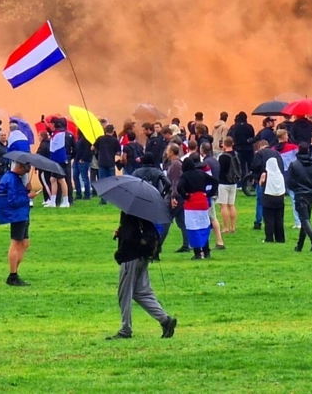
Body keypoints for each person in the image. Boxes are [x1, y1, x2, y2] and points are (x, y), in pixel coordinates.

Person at [107, 211, 176, 340]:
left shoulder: (129, 210)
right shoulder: (144, 209)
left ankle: (125, 329)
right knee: (141, 293)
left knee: (125, 294)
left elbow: (130, 235)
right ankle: (165, 320)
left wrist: (121, 235)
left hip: (131, 257)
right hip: (142, 256)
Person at [0, 159, 37, 286]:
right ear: (19, 167)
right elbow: (13, 200)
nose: (25, 173)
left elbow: (15, 195)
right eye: (25, 170)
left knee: (24, 243)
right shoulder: (11, 179)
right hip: (17, 215)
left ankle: (14, 273)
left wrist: (26, 190)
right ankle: (13, 275)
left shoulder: (13, 178)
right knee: (16, 243)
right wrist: (28, 196)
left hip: (22, 214)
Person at [175, 157, 218, 260]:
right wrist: (209, 194)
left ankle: (198, 252)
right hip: (202, 202)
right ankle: (206, 251)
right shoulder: (200, 173)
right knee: (204, 225)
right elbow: (215, 181)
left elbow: (179, 187)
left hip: (191, 204)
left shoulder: (184, 176)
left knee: (193, 227)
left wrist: (186, 196)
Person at [287, 143, 312, 252]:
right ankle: (300, 245)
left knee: (304, 219)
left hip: (300, 194)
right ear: (308, 150)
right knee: (305, 219)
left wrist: (296, 188)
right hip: (311, 194)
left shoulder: (294, 165)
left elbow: (289, 181)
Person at [259, 147, 287, 244]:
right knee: (279, 219)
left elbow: (261, 184)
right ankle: (280, 238)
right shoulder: (280, 175)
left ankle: (269, 237)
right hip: (279, 198)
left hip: (268, 197)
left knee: (269, 218)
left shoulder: (265, 175)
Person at [217, 137, 242, 234]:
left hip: (223, 182)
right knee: (231, 205)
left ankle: (226, 227)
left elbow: (220, 170)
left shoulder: (222, 157)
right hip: (233, 182)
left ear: (224, 144)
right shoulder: (236, 154)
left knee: (223, 206)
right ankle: (233, 227)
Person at [73, 131, 93, 201]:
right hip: (77, 159)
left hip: (83, 160)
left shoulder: (86, 138)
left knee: (84, 177)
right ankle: (78, 193)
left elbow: (87, 150)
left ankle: (87, 194)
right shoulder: (79, 138)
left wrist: (83, 158)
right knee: (75, 176)